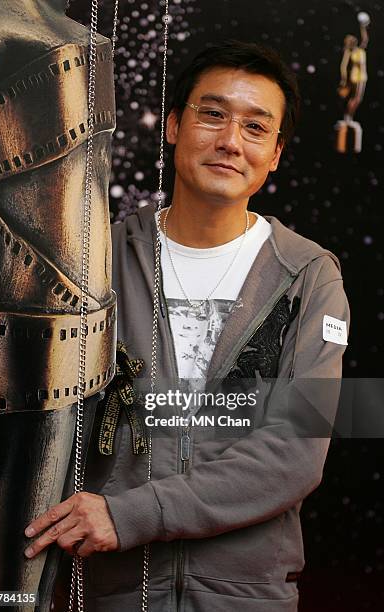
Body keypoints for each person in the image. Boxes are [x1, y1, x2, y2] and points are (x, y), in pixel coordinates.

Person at [20, 41, 349, 611]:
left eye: (255, 127)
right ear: (173, 125)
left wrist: (131, 515)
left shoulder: (310, 277)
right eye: (212, 114)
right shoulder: (96, 260)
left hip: (246, 597)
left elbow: (297, 450)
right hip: (113, 592)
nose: (229, 142)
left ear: (275, 154)